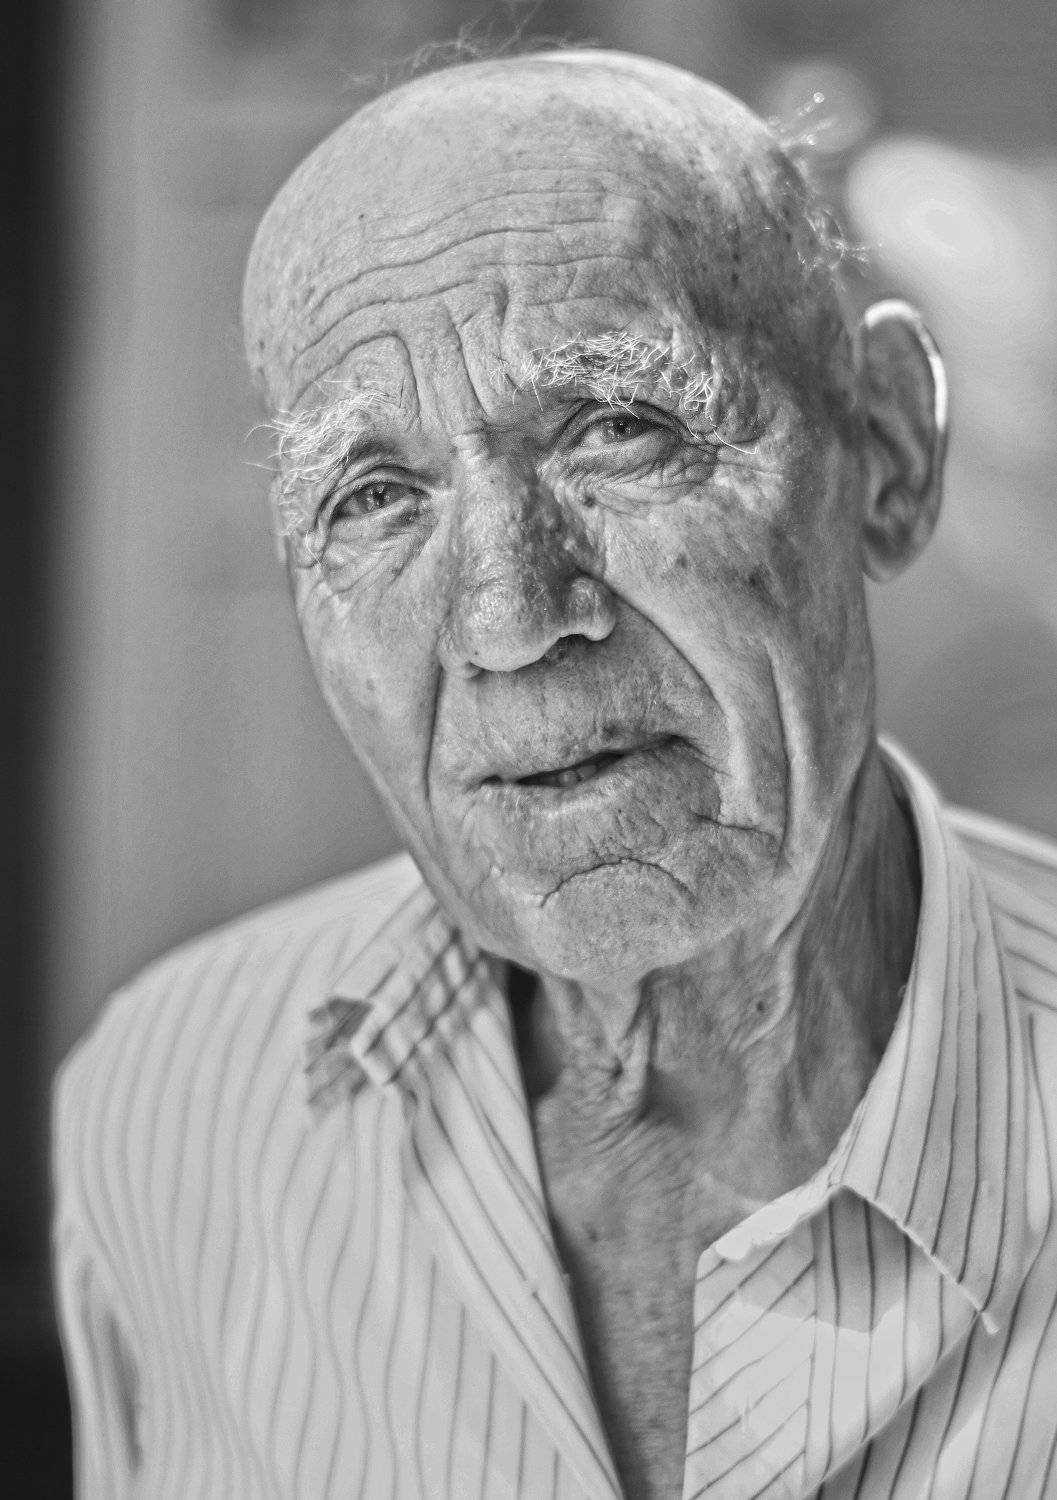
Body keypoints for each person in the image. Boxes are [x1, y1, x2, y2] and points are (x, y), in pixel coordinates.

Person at [51, 48, 1057, 1500]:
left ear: (887, 448)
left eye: (618, 430)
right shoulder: (169, 1100)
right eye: (375, 497)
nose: (511, 618)